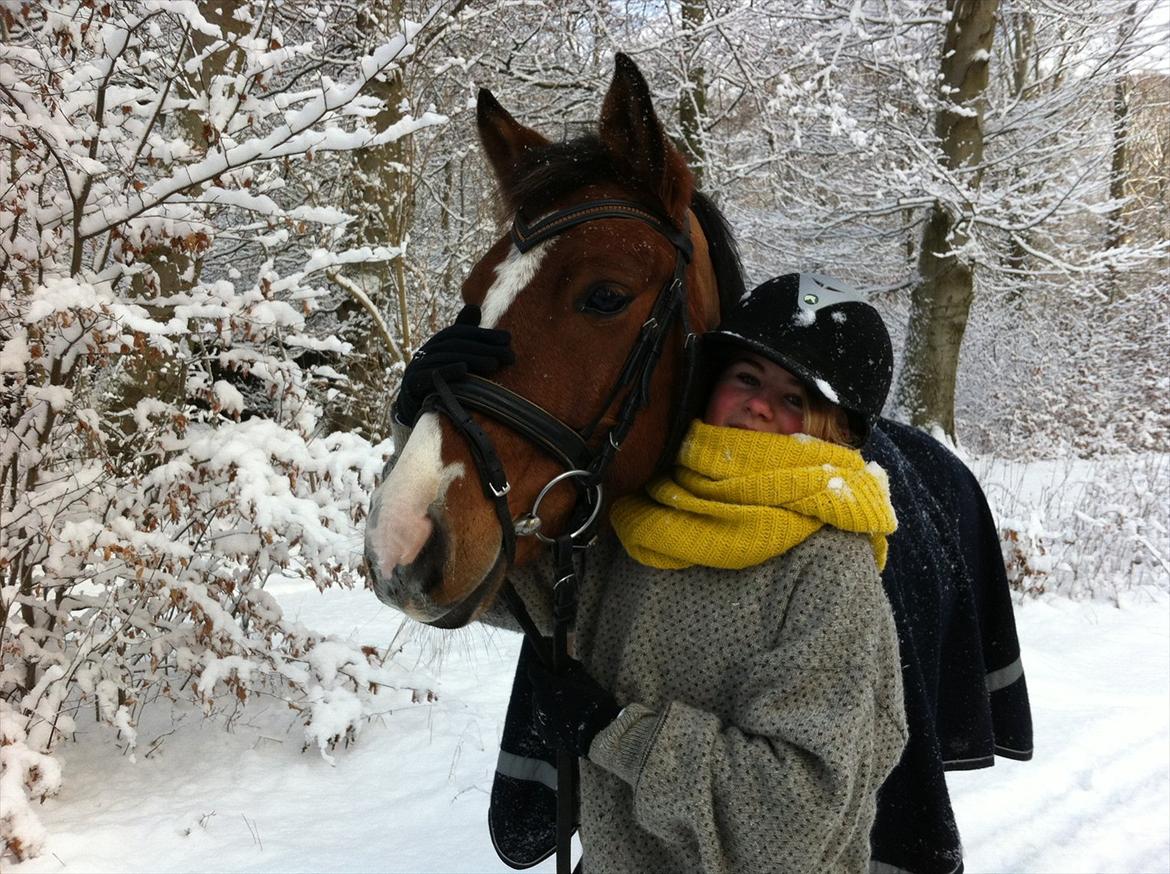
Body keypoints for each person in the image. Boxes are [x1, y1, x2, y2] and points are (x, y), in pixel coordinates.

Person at [492, 272, 908, 873]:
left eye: (795, 398)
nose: (759, 404)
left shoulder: (827, 565)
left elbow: (795, 812)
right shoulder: (636, 514)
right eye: (746, 377)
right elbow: (490, 584)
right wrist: (436, 410)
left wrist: (614, 733)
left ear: (836, 430)